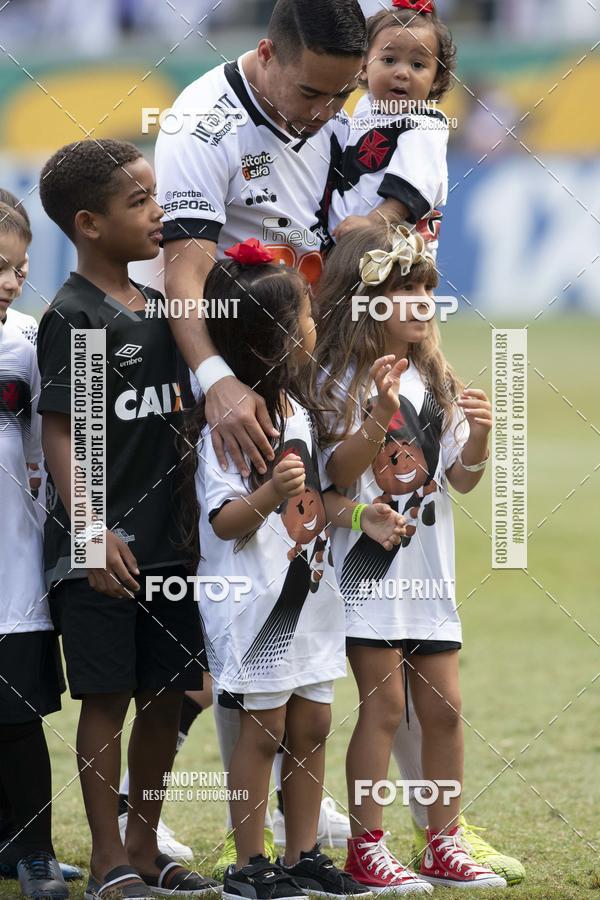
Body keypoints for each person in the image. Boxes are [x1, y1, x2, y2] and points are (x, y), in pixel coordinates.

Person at [155, 0, 367, 867]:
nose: (324, 112)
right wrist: (217, 385)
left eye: (340, 95)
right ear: (267, 53)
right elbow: (183, 271)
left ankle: (294, 828)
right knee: (194, 610)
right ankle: (147, 814)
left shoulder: (334, 112)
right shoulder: (202, 121)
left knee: (287, 592)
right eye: (313, 91)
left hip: (288, 365)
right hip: (202, 361)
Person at [183, 238, 409, 900]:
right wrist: (267, 495)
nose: (316, 329)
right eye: (307, 320)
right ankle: (249, 865)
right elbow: (223, 523)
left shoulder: (297, 414)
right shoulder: (227, 428)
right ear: (279, 340)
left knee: (311, 721)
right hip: (253, 599)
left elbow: (316, 501)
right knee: (264, 729)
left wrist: (358, 518)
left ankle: (302, 852)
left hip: (307, 595)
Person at [36, 139, 219, 900]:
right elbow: (63, 433)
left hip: (175, 550)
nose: (159, 212)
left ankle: (146, 847)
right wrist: (88, 530)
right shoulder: (75, 316)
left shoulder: (170, 309)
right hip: (104, 553)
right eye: (139, 201)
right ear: (88, 224)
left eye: (158, 195)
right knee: (108, 698)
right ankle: (108, 858)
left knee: (171, 694)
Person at [313, 223, 507, 890]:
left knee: (445, 709)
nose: (423, 302)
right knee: (384, 707)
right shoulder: (339, 378)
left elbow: (460, 478)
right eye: (404, 290)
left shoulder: (437, 375)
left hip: (430, 572)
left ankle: (441, 841)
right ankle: (367, 847)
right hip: (368, 571)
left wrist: (480, 439)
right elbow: (334, 474)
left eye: (427, 288)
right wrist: (378, 415)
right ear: (365, 301)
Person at [0, 202, 69, 899]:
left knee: (15, 715)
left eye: (18, 266)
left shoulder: (33, 339)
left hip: (12, 566)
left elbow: (69, 441)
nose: (10, 280)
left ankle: (37, 850)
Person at [329, 0, 456, 249]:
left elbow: (411, 189)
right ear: (363, 66)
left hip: (394, 253)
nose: (402, 73)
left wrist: (374, 222)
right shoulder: (365, 107)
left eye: (418, 65)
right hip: (353, 245)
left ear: (436, 79)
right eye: (389, 60)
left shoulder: (424, 126)